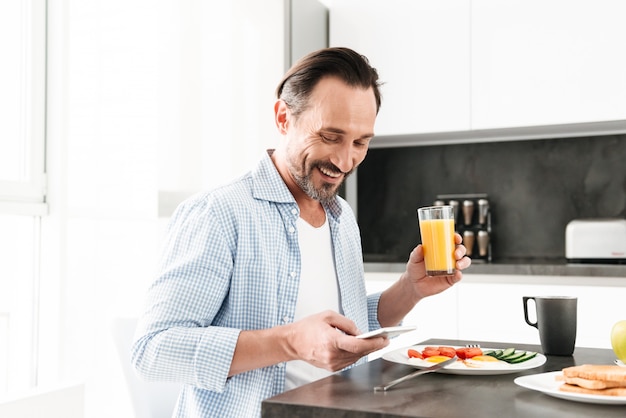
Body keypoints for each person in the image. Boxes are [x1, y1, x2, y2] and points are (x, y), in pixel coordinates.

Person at [131, 47, 471, 417]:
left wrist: (409, 289)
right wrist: (291, 342)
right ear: (283, 118)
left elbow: (348, 329)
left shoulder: (341, 219)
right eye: (329, 136)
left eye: (360, 143)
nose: (344, 161)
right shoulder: (220, 213)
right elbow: (153, 350)